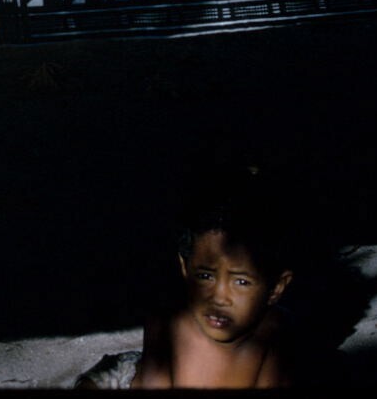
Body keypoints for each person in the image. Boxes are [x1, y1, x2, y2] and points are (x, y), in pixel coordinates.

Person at [78, 167, 296, 390]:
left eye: (241, 282)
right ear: (185, 267)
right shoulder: (175, 320)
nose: (219, 298)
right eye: (205, 276)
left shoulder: (275, 330)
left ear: (276, 288)